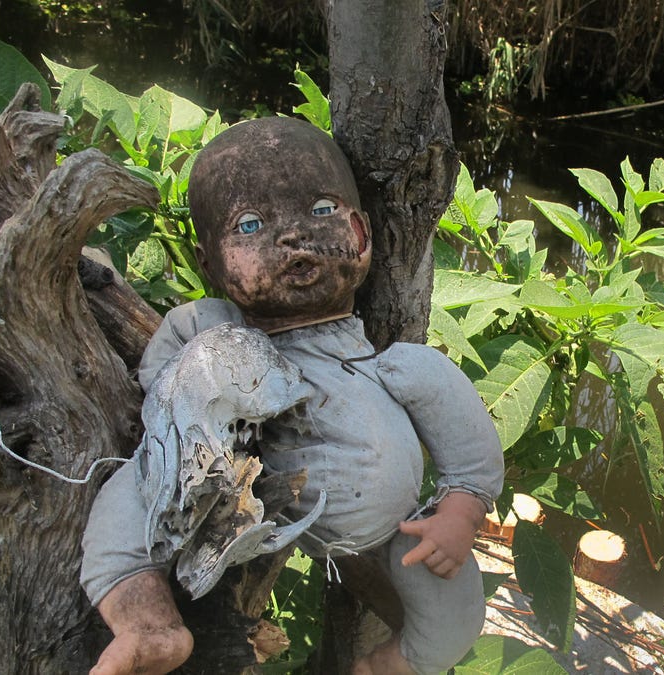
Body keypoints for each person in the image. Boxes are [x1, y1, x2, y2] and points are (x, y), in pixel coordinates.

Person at [79, 117, 504, 674]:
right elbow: (160, 382)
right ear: (210, 264)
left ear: (361, 233)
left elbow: (466, 443)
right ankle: (148, 624)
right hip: (237, 498)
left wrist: (461, 511)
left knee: (456, 607)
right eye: (250, 225)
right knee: (132, 490)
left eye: (322, 211)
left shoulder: (397, 366)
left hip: (399, 531)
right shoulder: (211, 326)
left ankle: (398, 663)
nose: (291, 236)